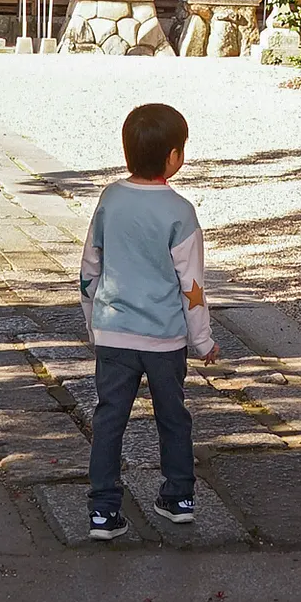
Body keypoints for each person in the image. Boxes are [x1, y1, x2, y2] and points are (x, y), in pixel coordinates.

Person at [78, 100, 217, 539]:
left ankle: (103, 509)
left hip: (115, 332)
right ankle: (179, 496)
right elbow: (191, 284)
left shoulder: (110, 200)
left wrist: (93, 322)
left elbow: (89, 269)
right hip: (164, 338)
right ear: (174, 157)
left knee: (109, 418)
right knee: (173, 417)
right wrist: (203, 340)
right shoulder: (180, 212)